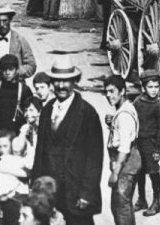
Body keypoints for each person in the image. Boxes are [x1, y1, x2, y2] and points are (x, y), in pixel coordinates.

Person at [31, 57, 103, 225]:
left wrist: (87, 193)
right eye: (57, 81)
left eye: (66, 81)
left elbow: (94, 157)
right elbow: (40, 150)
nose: (61, 86)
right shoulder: (48, 109)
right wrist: (35, 185)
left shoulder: (87, 113)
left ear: (75, 81)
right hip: (50, 191)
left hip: (76, 192)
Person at [104, 74, 141, 225]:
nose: (108, 95)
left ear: (122, 91)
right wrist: (111, 121)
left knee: (121, 207)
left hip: (125, 165)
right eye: (106, 91)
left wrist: (115, 173)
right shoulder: (125, 109)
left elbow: (125, 147)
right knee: (123, 205)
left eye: (112, 91)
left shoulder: (124, 115)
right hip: (130, 163)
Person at [133, 70, 160, 217]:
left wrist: (158, 149)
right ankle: (141, 199)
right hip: (139, 143)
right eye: (150, 87)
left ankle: (156, 201)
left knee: (153, 172)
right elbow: (132, 120)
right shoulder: (137, 103)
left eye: (156, 87)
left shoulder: (158, 105)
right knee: (140, 172)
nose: (154, 90)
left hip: (151, 145)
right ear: (143, 88)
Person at [0, 6, 37, 79]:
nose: (2, 24)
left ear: (10, 20)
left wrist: (16, 72)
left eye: (5, 21)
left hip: (14, 81)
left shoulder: (20, 40)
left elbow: (31, 65)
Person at [0, 54, 33, 133]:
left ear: (16, 70)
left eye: (11, 69)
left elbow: (30, 110)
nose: (7, 73)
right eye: (4, 70)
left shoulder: (24, 89)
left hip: (17, 130)